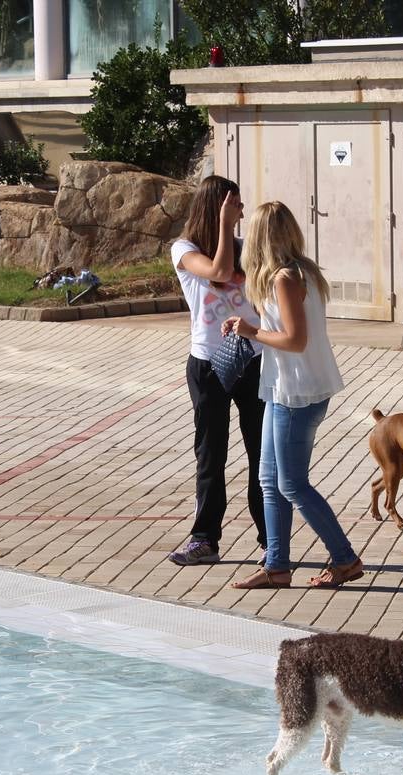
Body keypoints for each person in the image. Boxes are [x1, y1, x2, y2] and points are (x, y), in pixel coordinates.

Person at [222, 201, 363, 589]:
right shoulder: (301, 271)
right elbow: (287, 330)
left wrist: (251, 332)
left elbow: (295, 340)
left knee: (292, 484)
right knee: (270, 479)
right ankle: (277, 565)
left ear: (261, 238)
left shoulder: (285, 277)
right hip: (288, 387)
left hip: (296, 392)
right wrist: (250, 325)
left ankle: (345, 559)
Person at [166, 175, 267, 566]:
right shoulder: (184, 250)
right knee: (211, 453)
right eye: (235, 205)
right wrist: (224, 226)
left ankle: (270, 540)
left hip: (252, 359)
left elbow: (247, 277)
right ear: (217, 208)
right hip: (208, 363)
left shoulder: (242, 247)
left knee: (261, 454)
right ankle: (205, 538)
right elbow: (220, 273)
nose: (242, 211)